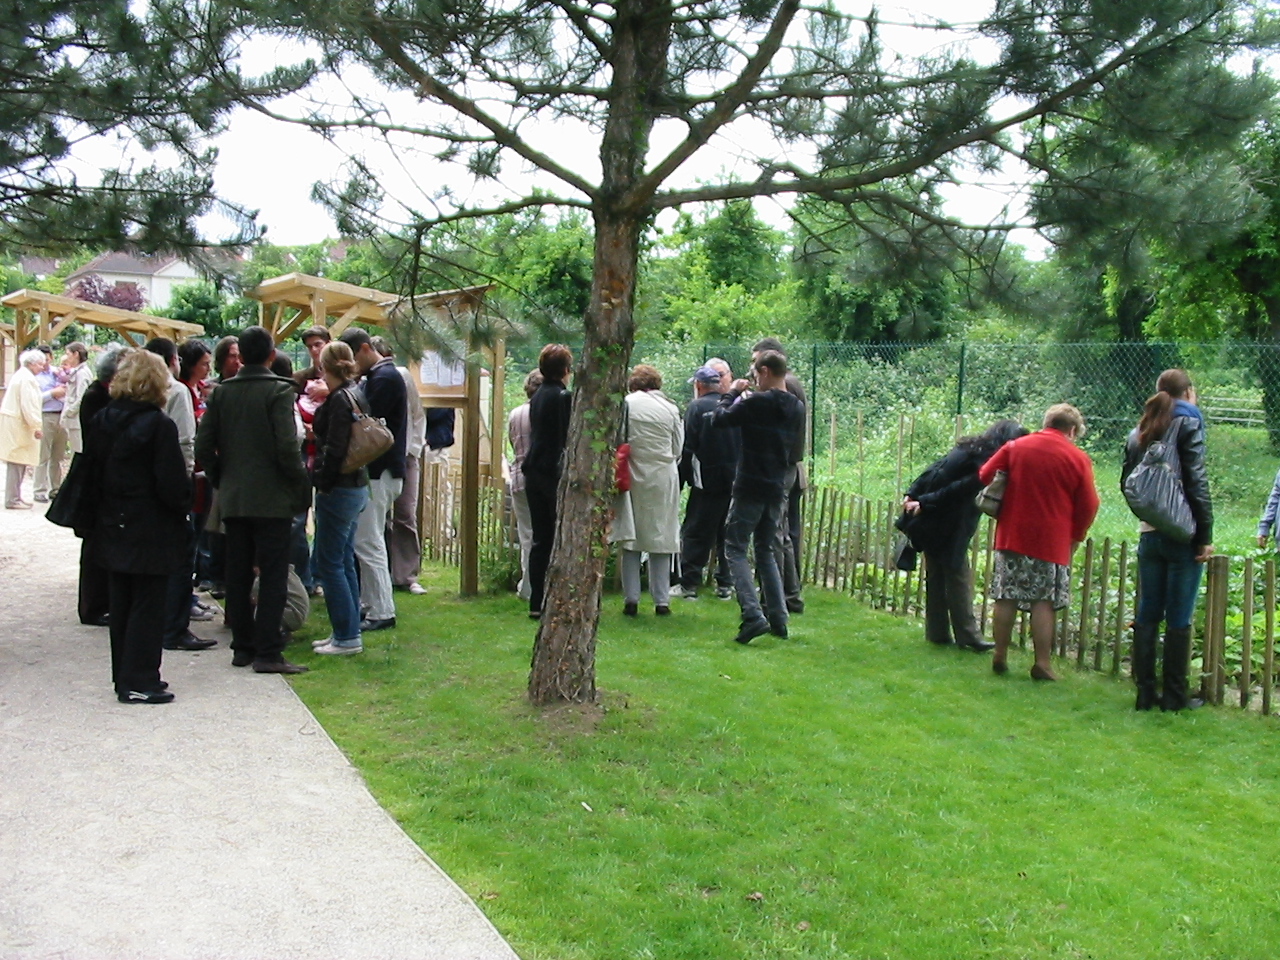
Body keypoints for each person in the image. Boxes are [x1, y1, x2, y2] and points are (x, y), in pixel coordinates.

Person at [195, 325, 312, 674]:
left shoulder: (222, 393)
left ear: (241, 356)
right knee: (274, 574)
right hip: (272, 497)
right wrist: (298, 485)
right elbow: (287, 446)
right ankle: (268, 651)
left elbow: (204, 445)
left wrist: (221, 477)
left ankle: (243, 645)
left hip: (235, 495)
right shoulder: (279, 391)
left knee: (238, 571)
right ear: (271, 356)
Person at [82, 349, 191, 704]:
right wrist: (184, 503)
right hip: (150, 525)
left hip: (112, 520)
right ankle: (142, 679)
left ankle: (124, 675)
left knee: (122, 603)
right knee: (148, 604)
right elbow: (171, 484)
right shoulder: (159, 425)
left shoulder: (102, 419)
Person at [978, 404, 1100, 681]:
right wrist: (1076, 534)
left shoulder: (1015, 447)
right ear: (1072, 430)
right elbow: (1089, 504)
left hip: (1012, 533)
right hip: (1051, 540)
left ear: (1046, 423)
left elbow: (985, 474)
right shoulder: (1077, 458)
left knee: (1006, 595)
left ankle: (1000, 654)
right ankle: (1042, 664)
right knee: (1043, 601)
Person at [1122, 369, 1214, 711]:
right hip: (1181, 534)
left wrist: (1152, 515)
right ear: (1188, 392)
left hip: (1149, 532)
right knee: (1179, 615)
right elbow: (1196, 481)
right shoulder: (1189, 422)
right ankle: (1174, 696)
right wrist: (1204, 534)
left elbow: (1127, 482)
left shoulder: (1140, 429)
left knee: (1148, 611)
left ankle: (1145, 692)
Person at [901, 420, 1027, 653]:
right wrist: (925, 502)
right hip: (951, 519)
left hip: (931, 516)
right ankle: (969, 635)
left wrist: (913, 494)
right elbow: (962, 488)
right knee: (957, 574)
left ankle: (937, 632)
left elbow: (933, 469)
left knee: (936, 574)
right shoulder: (987, 460)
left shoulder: (968, 447)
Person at [709, 350, 805, 644]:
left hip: (750, 483)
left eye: (754, 374)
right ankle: (779, 618)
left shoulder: (757, 403)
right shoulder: (797, 407)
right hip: (776, 485)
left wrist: (732, 393)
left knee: (735, 547)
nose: (753, 379)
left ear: (764, 371)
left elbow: (719, 420)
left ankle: (752, 615)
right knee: (765, 550)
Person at [144, 338, 214, 653]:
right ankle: (174, 626)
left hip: (144, 486)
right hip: (175, 482)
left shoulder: (133, 392)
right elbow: (186, 441)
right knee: (181, 555)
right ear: (174, 360)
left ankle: (157, 619)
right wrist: (185, 483)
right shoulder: (177, 391)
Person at [339, 327, 407, 631]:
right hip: (381, 471)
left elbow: (365, 418)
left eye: (354, 358)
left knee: (369, 540)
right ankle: (371, 604)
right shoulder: (380, 377)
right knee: (366, 539)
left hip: (381, 470)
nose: (353, 366)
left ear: (365, 349)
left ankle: (381, 609)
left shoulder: (384, 378)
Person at [309, 341, 371, 655]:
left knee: (330, 563)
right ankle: (346, 630)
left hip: (340, 487)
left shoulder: (338, 400)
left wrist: (321, 482)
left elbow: (335, 448)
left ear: (324, 367)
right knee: (344, 560)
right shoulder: (356, 393)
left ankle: (346, 637)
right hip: (357, 485)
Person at [611, 365, 683, 616]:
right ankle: (661, 600)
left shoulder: (627, 404)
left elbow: (619, 438)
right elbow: (677, 447)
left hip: (633, 473)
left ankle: (631, 599)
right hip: (663, 476)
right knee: (661, 537)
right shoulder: (670, 408)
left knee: (631, 536)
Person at [676, 361, 740, 600]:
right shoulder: (733, 405)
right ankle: (725, 584)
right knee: (727, 533)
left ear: (699, 385)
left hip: (706, 480)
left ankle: (689, 584)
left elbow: (688, 446)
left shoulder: (696, 408)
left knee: (697, 531)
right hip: (733, 479)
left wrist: (682, 480)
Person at [752, 337, 807, 614]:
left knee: (773, 534)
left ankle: (776, 598)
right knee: (781, 534)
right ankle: (790, 595)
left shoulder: (787, 387)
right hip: (788, 466)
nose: (753, 369)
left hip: (781, 467)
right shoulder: (792, 384)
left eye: (756, 362)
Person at [522, 343, 573, 619]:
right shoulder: (563, 397)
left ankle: (536, 600)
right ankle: (554, 597)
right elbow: (566, 436)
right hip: (552, 472)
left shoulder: (539, 395)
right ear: (566, 369)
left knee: (540, 539)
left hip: (534, 469)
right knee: (556, 537)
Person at [76, 344, 125, 625]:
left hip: (100, 478)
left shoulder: (100, 396)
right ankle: (93, 607)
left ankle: (99, 603)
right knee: (95, 547)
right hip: (97, 481)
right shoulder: (97, 398)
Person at [376, 336, 429, 596]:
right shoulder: (369, 380)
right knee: (381, 517)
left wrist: (413, 449)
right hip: (381, 456)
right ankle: (385, 570)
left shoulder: (402, 377)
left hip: (405, 454)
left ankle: (407, 574)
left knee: (405, 513)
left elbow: (417, 414)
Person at [507, 370, 542, 601]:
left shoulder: (515, 414)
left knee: (526, 534)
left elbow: (513, 443)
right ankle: (535, 585)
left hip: (519, 476)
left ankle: (527, 586)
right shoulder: (545, 412)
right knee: (542, 535)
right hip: (540, 478)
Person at [1, 349, 48, 509]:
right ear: (32, 364)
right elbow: (29, 405)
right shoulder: (26, 379)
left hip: (17, 423)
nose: (42, 367)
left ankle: (15, 496)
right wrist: (36, 426)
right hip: (19, 425)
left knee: (19, 461)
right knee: (16, 461)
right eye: (40, 364)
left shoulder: (22, 376)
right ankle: (12, 499)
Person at [33, 344, 68, 502]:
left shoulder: (58, 373)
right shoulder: (35, 377)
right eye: (42, 361)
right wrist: (52, 394)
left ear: (51, 358)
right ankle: (39, 489)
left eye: (47, 360)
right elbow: (34, 399)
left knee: (58, 456)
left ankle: (56, 488)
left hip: (62, 415)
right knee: (43, 455)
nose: (45, 363)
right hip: (46, 415)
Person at [59, 342, 93, 456]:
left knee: (78, 452)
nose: (67, 357)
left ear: (76, 354)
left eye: (68, 354)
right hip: (73, 420)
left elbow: (81, 398)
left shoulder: (82, 373)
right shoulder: (77, 372)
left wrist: (68, 412)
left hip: (76, 420)